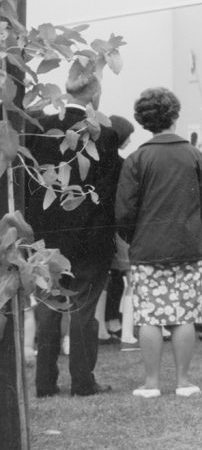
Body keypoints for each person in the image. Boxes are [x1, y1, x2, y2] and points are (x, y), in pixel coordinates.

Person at [25, 68, 121, 397]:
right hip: (91, 237)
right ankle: (82, 381)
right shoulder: (105, 136)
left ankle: (44, 383)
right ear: (94, 95)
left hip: (46, 236)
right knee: (83, 310)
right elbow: (109, 192)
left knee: (48, 307)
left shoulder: (39, 130)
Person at [115, 88, 202, 398]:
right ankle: (184, 381)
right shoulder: (196, 155)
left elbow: (124, 211)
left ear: (144, 120)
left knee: (150, 316)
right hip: (188, 244)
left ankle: (151, 383)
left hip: (148, 247)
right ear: (175, 114)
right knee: (184, 315)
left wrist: (134, 239)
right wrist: (199, 235)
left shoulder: (136, 159)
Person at [100, 115, 136, 343]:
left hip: (105, 227)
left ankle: (107, 322)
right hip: (118, 227)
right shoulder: (121, 165)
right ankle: (118, 325)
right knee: (124, 275)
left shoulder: (102, 161)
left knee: (108, 277)